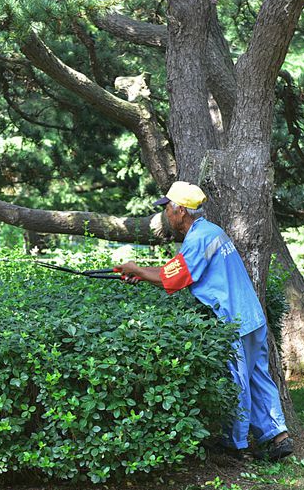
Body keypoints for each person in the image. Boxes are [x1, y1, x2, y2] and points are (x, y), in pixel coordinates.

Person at [115, 181, 294, 461]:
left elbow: (173, 279)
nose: (166, 215)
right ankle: (279, 437)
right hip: (251, 317)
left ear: (181, 211)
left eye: (167, 209)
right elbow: (172, 271)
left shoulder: (198, 239)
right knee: (258, 376)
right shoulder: (211, 231)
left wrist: (136, 268)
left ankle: (235, 445)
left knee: (237, 380)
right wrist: (139, 273)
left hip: (233, 321)